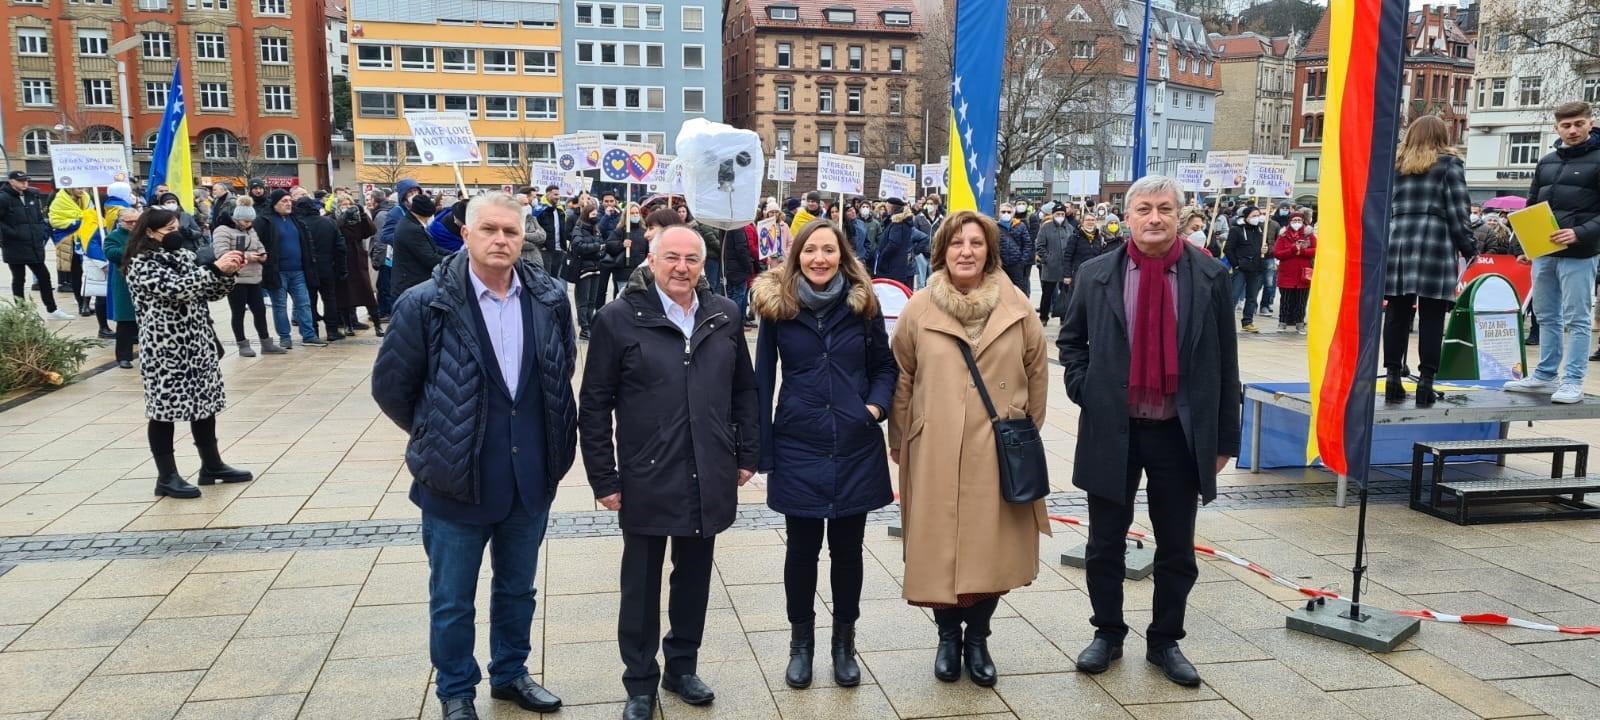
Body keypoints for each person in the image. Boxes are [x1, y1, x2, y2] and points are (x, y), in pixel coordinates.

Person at [372, 193, 577, 720]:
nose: (501, 240)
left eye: (511, 231)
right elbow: (392, 387)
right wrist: (440, 434)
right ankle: (456, 690)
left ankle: (511, 674)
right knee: (452, 598)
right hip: (455, 479)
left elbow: (560, 370)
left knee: (518, 590)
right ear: (465, 233)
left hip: (528, 476)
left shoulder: (550, 297)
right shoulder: (427, 302)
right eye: (489, 229)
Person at [1058, 175, 1240, 689]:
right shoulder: (1097, 274)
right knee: (1104, 543)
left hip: (1178, 432)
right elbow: (1071, 344)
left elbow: (1227, 362)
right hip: (1113, 427)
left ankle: (1165, 640)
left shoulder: (1209, 274)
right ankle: (1108, 633)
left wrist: (1226, 438)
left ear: (1180, 215)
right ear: (1128, 216)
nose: (1154, 218)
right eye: (1144, 209)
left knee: (1176, 546)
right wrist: (1085, 388)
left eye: (1164, 208)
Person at [578, 226, 759, 720]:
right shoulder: (618, 319)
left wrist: (747, 454)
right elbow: (594, 405)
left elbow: (745, 390)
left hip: (709, 467)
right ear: (651, 260)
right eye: (672, 258)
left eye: (692, 259)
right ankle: (640, 681)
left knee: (694, 577)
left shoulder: (723, 314)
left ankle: (682, 665)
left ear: (703, 264)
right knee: (640, 583)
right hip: (645, 473)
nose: (682, 268)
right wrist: (605, 478)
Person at [888, 209, 1049, 688]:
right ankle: (946, 637)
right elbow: (902, 377)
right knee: (940, 546)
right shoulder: (920, 308)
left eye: (976, 244)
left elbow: (1037, 369)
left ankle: (977, 638)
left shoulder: (1015, 305)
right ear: (942, 251)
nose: (966, 252)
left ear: (990, 252)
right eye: (957, 243)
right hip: (934, 446)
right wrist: (904, 439)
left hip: (994, 448)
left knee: (989, 547)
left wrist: (1022, 428)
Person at [752, 220, 895, 690]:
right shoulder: (779, 308)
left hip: (854, 442)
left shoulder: (862, 303)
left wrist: (873, 408)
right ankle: (801, 644)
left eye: (828, 250)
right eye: (810, 250)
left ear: (842, 255)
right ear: (797, 255)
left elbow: (884, 367)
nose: (819, 258)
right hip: (799, 442)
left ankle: (843, 643)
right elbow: (762, 379)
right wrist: (763, 450)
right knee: (802, 550)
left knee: (848, 551)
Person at [123, 208, 254, 499]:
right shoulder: (141, 263)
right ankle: (166, 476)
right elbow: (177, 290)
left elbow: (210, 292)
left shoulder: (185, 257)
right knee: (163, 412)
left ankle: (212, 465)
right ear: (149, 232)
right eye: (168, 230)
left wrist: (227, 274)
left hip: (198, 343)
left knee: (205, 405)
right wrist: (215, 269)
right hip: (164, 349)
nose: (175, 234)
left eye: (176, 228)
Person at [1503, 102, 1600, 393]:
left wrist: (1579, 233)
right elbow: (1532, 205)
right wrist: (1524, 245)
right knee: (1545, 315)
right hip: (1544, 253)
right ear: (1556, 128)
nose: (1573, 130)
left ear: (1590, 123)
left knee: (1577, 319)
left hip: (1580, 253)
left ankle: (1572, 381)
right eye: (1566, 125)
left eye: (1579, 124)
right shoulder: (1546, 161)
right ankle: (1545, 374)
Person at [1383, 115, 1475, 407]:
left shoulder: (1394, 166)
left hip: (1398, 240)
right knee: (1433, 315)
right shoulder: (1448, 165)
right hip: (1434, 239)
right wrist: (1469, 247)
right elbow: (1458, 211)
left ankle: (1393, 376)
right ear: (1442, 136)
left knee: (1397, 312)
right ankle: (1426, 381)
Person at [254, 190, 326, 348]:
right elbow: (257, 243)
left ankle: (309, 335)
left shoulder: (296, 220)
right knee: (279, 305)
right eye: (283, 201)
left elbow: (306, 242)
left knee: (304, 304)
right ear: (274, 204)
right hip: (277, 271)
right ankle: (285, 337)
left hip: (298, 270)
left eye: (289, 200)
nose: (288, 204)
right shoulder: (264, 221)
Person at [211, 198, 282, 356]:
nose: (249, 224)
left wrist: (263, 254)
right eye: (245, 221)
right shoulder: (223, 230)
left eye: (251, 221)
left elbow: (259, 244)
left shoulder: (251, 230)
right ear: (236, 218)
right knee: (238, 312)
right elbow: (222, 254)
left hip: (254, 277)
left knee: (260, 310)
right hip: (236, 279)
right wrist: (250, 257)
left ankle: (266, 343)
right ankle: (242, 344)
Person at [0, 172, 71, 319]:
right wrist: (12, 233)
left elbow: (38, 217)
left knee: (44, 276)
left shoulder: (33, 195)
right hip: (14, 245)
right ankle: (22, 311)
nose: (24, 183)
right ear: (11, 182)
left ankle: (52, 309)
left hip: (33, 243)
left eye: (26, 180)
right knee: (19, 278)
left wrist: (40, 232)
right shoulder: (3, 198)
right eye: (21, 181)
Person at [295, 197, 348, 342]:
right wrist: (342, 268)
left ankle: (313, 331)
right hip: (327, 267)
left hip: (306, 268)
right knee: (330, 299)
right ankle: (332, 330)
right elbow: (340, 247)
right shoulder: (329, 222)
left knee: (309, 301)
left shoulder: (298, 225)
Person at [336, 199, 384, 337]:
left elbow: (370, 230)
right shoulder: (335, 219)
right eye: (343, 204)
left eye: (349, 204)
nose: (347, 207)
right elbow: (336, 230)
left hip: (358, 260)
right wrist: (343, 218)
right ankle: (348, 325)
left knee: (367, 294)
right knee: (345, 295)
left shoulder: (357, 220)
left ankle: (377, 325)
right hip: (343, 261)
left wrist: (362, 214)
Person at [105, 208, 142, 368]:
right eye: (129, 222)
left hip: (145, 282)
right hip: (124, 283)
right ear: (121, 222)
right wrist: (133, 250)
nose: (133, 225)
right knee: (125, 322)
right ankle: (124, 357)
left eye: (136, 221)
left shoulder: (146, 233)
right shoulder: (114, 236)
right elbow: (111, 253)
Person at [390, 193, 444, 300]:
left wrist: (453, 254)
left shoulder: (410, 223)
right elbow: (430, 258)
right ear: (426, 214)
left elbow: (432, 248)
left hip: (409, 282)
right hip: (410, 285)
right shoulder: (412, 229)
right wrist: (454, 261)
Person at [1225, 205, 1268, 333]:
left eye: (1258, 215)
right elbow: (1228, 249)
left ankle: (1247, 322)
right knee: (1234, 295)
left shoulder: (1260, 230)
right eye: (1253, 216)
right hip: (1241, 268)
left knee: (1252, 297)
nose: (1256, 218)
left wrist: (1265, 250)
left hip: (1256, 268)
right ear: (1246, 217)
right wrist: (1236, 264)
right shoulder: (1237, 230)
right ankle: (1226, 322)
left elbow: (1264, 247)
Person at [1271, 211, 1316, 334]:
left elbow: (1316, 250)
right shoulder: (1283, 236)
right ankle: (1282, 322)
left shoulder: (1309, 235)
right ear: (1289, 222)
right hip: (1287, 274)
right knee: (1285, 300)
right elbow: (1277, 253)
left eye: (1299, 221)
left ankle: (1300, 323)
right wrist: (1291, 249)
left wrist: (1302, 251)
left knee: (1301, 301)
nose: (1297, 223)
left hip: (1303, 274)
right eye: (1294, 221)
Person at [870, 198, 929, 288]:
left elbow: (893, 244)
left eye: (887, 205)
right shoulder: (899, 222)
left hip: (895, 268)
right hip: (899, 268)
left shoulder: (898, 224)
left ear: (891, 207)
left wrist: (882, 256)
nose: (886, 208)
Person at [570, 198, 607, 340]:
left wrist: (599, 250)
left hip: (596, 268)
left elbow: (603, 246)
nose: (595, 217)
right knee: (583, 301)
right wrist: (596, 248)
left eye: (596, 214)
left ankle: (590, 324)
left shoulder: (596, 230)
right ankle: (584, 328)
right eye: (592, 215)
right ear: (586, 215)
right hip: (583, 270)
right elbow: (578, 247)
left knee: (592, 300)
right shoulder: (578, 229)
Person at [1036, 203, 1075, 325]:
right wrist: (1047, 258)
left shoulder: (1070, 228)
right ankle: (1043, 317)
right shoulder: (1045, 228)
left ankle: (1063, 318)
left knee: (1065, 294)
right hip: (1050, 267)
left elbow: (1073, 246)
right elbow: (1039, 245)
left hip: (1066, 268)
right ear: (1053, 214)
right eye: (1057, 214)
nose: (1060, 216)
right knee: (1047, 294)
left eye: (1062, 214)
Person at [995, 202, 1035, 296]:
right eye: (1003, 211)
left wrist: (1022, 262)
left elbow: (1027, 244)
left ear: (1013, 213)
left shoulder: (1020, 226)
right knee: (1000, 291)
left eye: (1009, 212)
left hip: (1016, 265)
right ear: (999, 213)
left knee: (1018, 292)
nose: (1006, 214)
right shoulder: (994, 227)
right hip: (1000, 266)